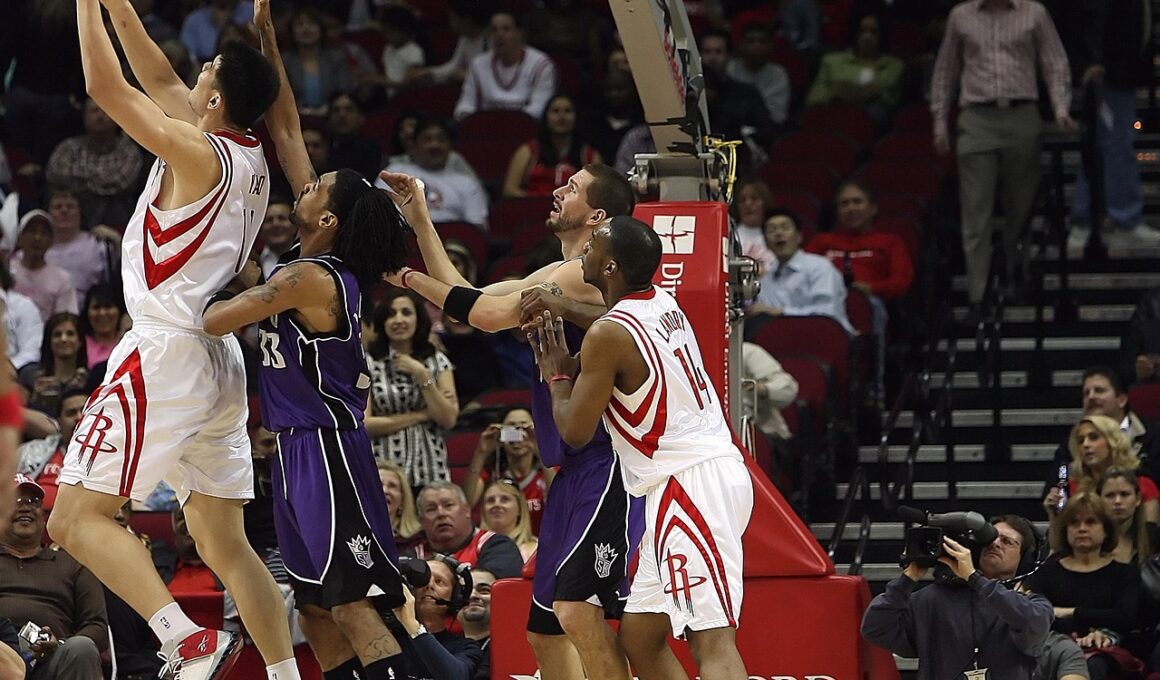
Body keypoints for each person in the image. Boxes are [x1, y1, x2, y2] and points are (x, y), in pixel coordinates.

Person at [47, 0, 297, 678]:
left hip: (165, 352)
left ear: (214, 99)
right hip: (217, 362)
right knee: (226, 544)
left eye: (207, 69)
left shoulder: (197, 152)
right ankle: (285, 674)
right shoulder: (248, 155)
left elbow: (106, 88)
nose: (195, 72)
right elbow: (155, 75)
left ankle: (185, 641)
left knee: (74, 519)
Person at [201, 2, 417, 677]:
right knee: (317, 610)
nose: (307, 178)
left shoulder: (309, 278)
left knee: (353, 605)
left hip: (326, 449)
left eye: (318, 183)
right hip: (296, 449)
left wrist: (178, 282)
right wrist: (269, 41)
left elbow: (216, 318)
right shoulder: (312, 251)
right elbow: (288, 128)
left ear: (326, 217)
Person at [381, 163, 640, 680]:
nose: (559, 190)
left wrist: (404, 276)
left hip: (608, 464)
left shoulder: (582, 277)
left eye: (573, 187)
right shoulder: (560, 272)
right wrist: (421, 220)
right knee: (544, 632)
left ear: (597, 216)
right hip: (572, 471)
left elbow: (484, 315)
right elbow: (469, 296)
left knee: (579, 615)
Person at [527, 215, 752, 679]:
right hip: (694, 477)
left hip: (690, 486)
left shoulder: (608, 335)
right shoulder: (661, 301)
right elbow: (609, 323)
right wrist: (564, 305)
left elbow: (574, 432)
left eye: (593, 244)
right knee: (640, 637)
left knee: (711, 639)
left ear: (610, 267)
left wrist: (557, 375)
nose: (585, 249)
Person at [930, 0, 1075, 308]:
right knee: (975, 211)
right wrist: (940, 122)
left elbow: (1054, 61)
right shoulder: (961, 15)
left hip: (1021, 112)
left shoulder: (1034, 13)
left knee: (1021, 207)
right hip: (977, 116)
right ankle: (978, 295)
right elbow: (945, 71)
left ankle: (1014, 272)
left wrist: (1060, 108)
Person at [863, 513, 1054, 680]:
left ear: (1025, 559)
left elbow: (1032, 624)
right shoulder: (932, 599)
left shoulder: (1033, 605)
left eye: (1007, 542)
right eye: (991, 538)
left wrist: (974, 578)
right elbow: (875, 628)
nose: (995, 543)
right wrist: (907, 579)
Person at [1025, 493, 1145, 679]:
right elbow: (1035, 615)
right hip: (1054, 647)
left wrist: (1071, 612)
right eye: (1074, 523)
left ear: (1106, 529)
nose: (1082, 528)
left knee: (1094, 665)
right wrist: (1084, 628)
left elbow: (1126, 617)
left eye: (1090, 522)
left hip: (1107, 651)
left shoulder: (1124, 573)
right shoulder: (1047, 571)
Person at [1, 475, 108, 680]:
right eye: (16, 501)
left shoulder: (73, 563)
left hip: (54, 661)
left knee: (81, 648)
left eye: (33, 502)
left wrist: (59, 644)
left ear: (44, 518)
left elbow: (98, 627)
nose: (26, 508)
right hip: (3, 658)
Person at [364, 289, 459, 489]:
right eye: (391, 314)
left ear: (419, 319)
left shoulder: (437, 360)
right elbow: (365, 424)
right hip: (385, 472)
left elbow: (448, 418)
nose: (398, 320)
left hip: (430, 468)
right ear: (382, 321)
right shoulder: (368, 363)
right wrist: (422, 415)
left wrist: (421, 374)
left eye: (406, 313)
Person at [747, 208, 854, 334]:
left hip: (828, 336)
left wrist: (781, 312)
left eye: (785, 228)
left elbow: (827, 313)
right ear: (765, 242)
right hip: (785, 337)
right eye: (771, 230)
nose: (778, 233)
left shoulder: (820, 267)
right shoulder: (766, 279)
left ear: (799, 236)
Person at [45, 96, 145, 229]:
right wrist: (99, 180)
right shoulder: (69, 147)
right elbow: (55, 174)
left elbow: (121, 184)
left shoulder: (128, 151)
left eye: (105, 111)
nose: (100, 116)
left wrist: (80, 183)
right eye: (94, 111)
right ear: (84, 116)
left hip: (115, 221)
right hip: (73, 216)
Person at [377, 118, 490, 229]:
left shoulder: (467, 183)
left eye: (441, 139)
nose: (435, 145)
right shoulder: (394, 173)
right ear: (414, 145)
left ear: (450, 146)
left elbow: (477, 228)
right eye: (427, 140)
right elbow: (378, 216)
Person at [1043, 415, 1160, 522]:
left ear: (1113, 442)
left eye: (1093, 437)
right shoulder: (1073, 488)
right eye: (1081, 440)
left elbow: (1150, 534)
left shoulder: (1143, 485)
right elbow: (1061, 537)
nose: (1085, 445)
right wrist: (1053, 515)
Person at [462, 406, 552, 534]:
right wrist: (481, 453)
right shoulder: (492, 472)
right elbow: (467, 503)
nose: (518, 435)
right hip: (503, 542)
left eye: (524, 429)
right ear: (501, 435)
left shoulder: (547, 470)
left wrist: (540, 448)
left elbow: (561, 499)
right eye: (511, 428)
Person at [390, 558, 484, 680]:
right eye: (422, 580)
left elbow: (456, 677)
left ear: (455, 596)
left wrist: (413, 626)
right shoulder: (389, 638)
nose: (429, 585)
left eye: (439, 581)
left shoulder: (467, 647)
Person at [453, 11, 557, 121]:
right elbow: (464, 105)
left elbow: (539, 108)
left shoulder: (541, 65)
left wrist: (504, 124)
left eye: (506, 29)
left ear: (520, 33)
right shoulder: (478, 64)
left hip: (523, 128)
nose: (499, 35)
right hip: (485, 128)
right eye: (494, 30)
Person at [805, 14, 905, 126]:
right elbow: (813, 100)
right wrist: (833, 94)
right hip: (832, 113)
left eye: (874, 32)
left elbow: (893, 101)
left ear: (882, 35)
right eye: (862, 31)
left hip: (870, 120)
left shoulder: (894, 66)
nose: (867, 37)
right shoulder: (831, 61)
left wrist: (879, 94)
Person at [410, 482, 524, 580]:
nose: (441, 513)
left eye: (448, 505)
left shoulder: (498, 546)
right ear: (421, 521)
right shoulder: (412, 556)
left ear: (467, 510)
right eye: (431, 509)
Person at [503, 94, 603, 199]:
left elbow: (600, 195)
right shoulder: (528, 151)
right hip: (535, 207)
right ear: (546, 117)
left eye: (568, 111)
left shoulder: (590, 155)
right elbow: (509, 190)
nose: (561, 117)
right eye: (555, 111)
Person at [17, 387, 88, 510]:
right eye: (71, 413)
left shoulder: (112, 457)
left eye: (85, 411)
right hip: (35, 520)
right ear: (59, 422)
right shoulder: (29, 452)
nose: (79, 417)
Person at [279, 7, 354, 114]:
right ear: (292, 32)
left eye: (311, 24)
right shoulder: (284, 61)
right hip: (293, 116)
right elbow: (280, 96)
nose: (306, 29)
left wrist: (328, 109)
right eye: (300, 24)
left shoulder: (337, 58)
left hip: (331, 116)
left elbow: (345, 90)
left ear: (321, 30)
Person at [9, 211, 78, 322]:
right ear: (20, 237)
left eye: (44, 233)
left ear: (51, 242)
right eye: (32, 231)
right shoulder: (5, 271)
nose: (38, 238)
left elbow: (64, 321)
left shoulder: (62, 279)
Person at [727, 23, 790, 128]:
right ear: (741, 45)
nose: (757, 46)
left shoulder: (778, 74)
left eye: (762, 42)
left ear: (771, 46)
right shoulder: (730, 68)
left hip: (766, 129)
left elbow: (778, 116)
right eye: (751, 41)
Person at [28, 315, 88, 416]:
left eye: (70, 334)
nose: (63, 339)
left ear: (80, 341)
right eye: (57, 335)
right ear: (49, 341)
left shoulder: (91, 378)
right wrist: (36, 398)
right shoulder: (32, 377)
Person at [1096, 468, 1153, 565]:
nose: (1117, 501)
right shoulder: (1092, 540)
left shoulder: (1154, 537)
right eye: (1110, 495)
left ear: (1138, 499)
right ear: (1098, 500)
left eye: (1124, 494)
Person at [479, 480, 539, 562]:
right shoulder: (474, 550)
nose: (496, 504)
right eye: (491, 500)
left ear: (520, 509)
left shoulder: (536, 551)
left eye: (505, 499)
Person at [76, 284, 126, 371]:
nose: (102, 313)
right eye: (96, 307)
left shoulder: (128, 343)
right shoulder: (78, 344)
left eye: (108, 306)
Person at [377, 460, 423, 550]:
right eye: (378, 484)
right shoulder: (352, 535)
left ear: (402, 500)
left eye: (392, 486)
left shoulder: (417, 541)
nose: (385, 490)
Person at [459, 569, 495, 680]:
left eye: (484, 590)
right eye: (465, 590)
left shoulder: (512, 648)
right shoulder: (440, 647)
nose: (472, 595)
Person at [257, 195, 296, 279]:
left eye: (282, 218)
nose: (275, 224)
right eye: (269, 220)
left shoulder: (308, 258)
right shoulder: (252, 261)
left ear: (295, 226)